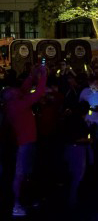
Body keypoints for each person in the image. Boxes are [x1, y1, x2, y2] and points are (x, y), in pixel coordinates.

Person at [4, 65, 47, 216]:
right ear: (10, 96)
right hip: (23, 144)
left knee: (26, 174)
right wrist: (43, 75)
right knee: (20, 174)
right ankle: (16, 205)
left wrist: (31, 76)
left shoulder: (13, 101)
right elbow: (39, 92)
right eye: (14, 91)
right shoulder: (17, 105)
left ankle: (25, 200)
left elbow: (23, 90)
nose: (18, 90)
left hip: (26, 143)